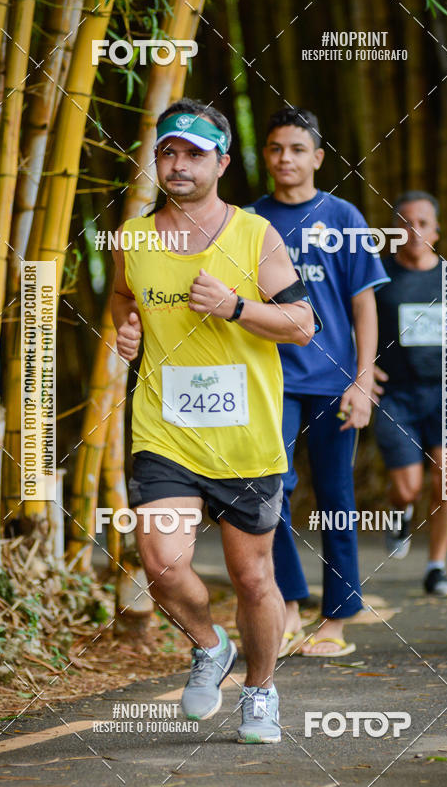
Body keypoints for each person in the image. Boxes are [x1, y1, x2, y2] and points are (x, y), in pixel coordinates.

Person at [111, 97, 316, 742]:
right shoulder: (135, 237)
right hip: (164, 431)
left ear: (222, 163)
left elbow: (303, 326)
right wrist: (124, 328)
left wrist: (234, 308)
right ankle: (207, 644)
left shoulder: (255, 235)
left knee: (254, 577)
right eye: (168, 152)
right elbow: (123, 295)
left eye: (194, 154)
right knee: (161, 564)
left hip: (246, 439)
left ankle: (261, 694)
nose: (178, 165)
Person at [250, 107, 389, 658]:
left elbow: (364, 307)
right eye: (277, 148)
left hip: (333, 380)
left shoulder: (344, 216)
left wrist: (361, 383)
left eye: (297, 149)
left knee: (336, 496)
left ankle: (335, 618)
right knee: (269, 491)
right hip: (268, 380)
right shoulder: (248, 221)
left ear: (318, 157)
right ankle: (286, 603)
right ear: (266, 155)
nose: (286, 158)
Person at [372, 191, 447, 597]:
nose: (414, 231)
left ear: (437, 231)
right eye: (405, 223)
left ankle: (436, 567)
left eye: (423, 223)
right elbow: (358, 328)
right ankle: (400, 512)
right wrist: (363, 366)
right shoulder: (378, 277)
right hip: (397, 397)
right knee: (407, 486)